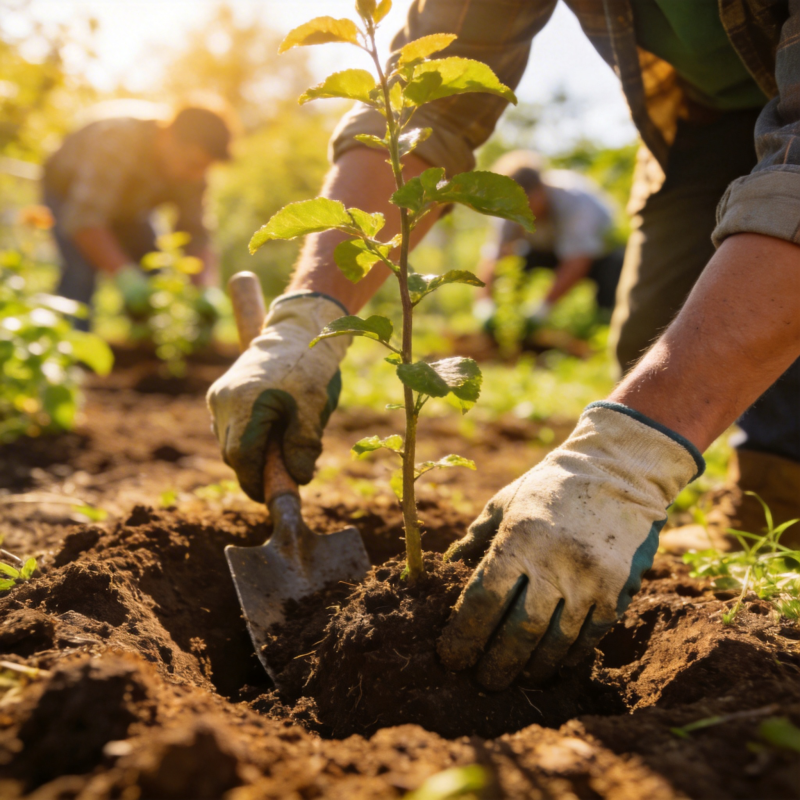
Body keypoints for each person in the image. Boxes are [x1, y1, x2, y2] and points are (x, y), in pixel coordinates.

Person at [208, 0, 800, 691]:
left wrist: (627, 465)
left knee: (749, 319)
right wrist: (309, 315)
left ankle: (778, 508)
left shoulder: (573, 207)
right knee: (653, 335)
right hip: (695, 121)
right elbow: (424, 106)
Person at [43, 103, 232, 329]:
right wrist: (126, 277)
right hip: (69, 196)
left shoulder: (193, 171)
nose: (197, 176)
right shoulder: (117, 141)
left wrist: (204, 287)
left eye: (205, 168)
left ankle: (147, 346)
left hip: (131, 209)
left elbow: (196, 232)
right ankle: (70, 346)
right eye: (194, 164)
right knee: (79, 273)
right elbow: (85, 220)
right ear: (168, 136)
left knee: (154, 269)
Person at [477, 151, 624, 329]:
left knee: (614, 270)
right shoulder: (507, 209)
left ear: (540, 188)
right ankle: (509, 322)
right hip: (549, 250)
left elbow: (578, 260)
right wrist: (484, 306)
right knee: (515, 265)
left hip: (599, 253)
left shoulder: (575, 200)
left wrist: (541, 310)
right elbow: (496, 256)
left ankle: (604, 324)